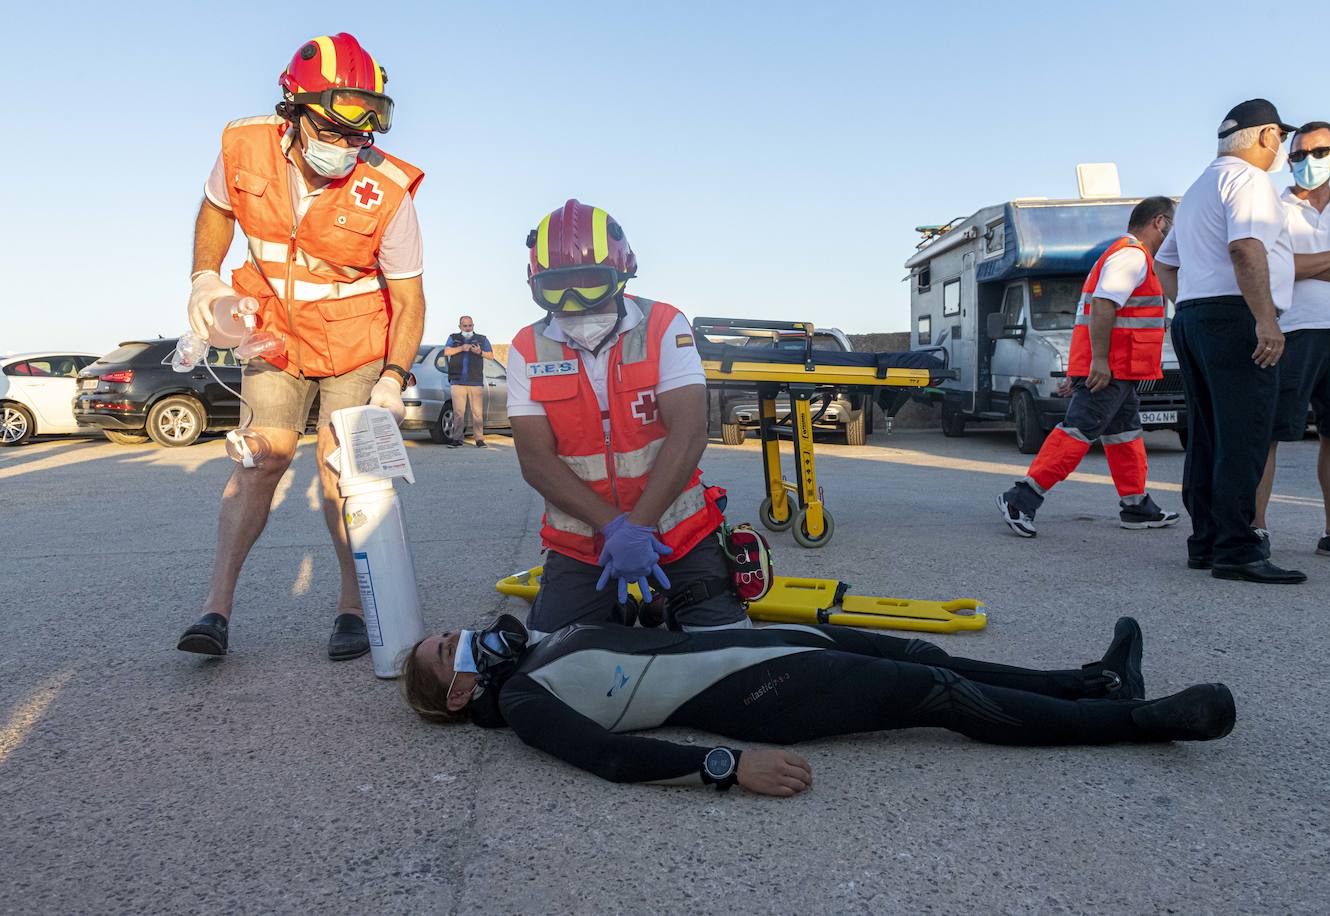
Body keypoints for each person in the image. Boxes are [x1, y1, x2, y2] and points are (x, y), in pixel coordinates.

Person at [176, 33, 428, 658]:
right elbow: (215, 209)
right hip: (274, 336)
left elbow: (410, 298)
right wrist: (204, 278)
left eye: (360, 134)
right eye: (334, 130)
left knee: (342, 472)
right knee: (259, 459)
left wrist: (395, 377)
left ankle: (352, 605)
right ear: (293, 109)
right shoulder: (243, 145)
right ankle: (215, 611)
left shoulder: (389, 190)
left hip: (356, 344)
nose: (348, 147)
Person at [398, 615, 1235, 797]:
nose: (462, 636)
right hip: (765, 693)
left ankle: (1086, 682)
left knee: (921, 652)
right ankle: (1139, 721)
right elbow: (612, 759)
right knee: (934, 694)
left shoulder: (539, 645)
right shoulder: (526, 703)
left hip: (775, 641)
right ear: (459, 692)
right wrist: (727, 766)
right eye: (448, 650)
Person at [506, 199, 746, 638]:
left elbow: (690, 434)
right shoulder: (527, 347)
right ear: (535, 285)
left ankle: (658, 604)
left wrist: (636, 528)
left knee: (729, 653)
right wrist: (613, 527)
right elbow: (535, 461)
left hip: (679, 532)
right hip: (583, 545)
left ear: (623, 274)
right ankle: (623, 610)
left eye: (591, 283)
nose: (575, 302)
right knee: (546, 661)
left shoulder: (664, 325)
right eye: (558, 287)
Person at [1154, 99, 1306, 584]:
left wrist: (1191, 306)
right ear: (1264, 136)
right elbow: (1245, 247)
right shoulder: (1250, 180)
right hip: (1235, 315)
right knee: (1243, 435)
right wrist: (1265, 320)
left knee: (1208, 435)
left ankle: (1207, 541)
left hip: (1196, 316)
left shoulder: (1200, 187)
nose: (1281, 148)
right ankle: (1238, 550)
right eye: (1280, 138)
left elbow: (1165, 262)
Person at [998, 198, 1181, 537]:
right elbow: (1102, 305)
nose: (1177, 232)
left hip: (1117, 370)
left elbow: (1091, 314)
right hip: (1109, 369)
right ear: (1160, 222)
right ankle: (1021, 498)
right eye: (1175, 223)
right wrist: (1096, 362)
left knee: (1124, 434)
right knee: (1078, 431)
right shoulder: (1131, 256)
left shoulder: (1126, 255)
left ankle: (1136, 507)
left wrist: (1084, 366)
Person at [1254, 122, 1330, 563]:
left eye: (1316, 153)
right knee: (1271, 434)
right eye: (1296, 155)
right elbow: (1276, 268)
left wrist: (1301, 263)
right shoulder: (1273, 208)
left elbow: (1299, 266)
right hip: (1291, 332)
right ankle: (1255, 528)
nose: (1304, 162)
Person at [442, 315, 494, 448]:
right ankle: (457, 439)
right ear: (460, 327)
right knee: (458, 413)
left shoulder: (482, 339)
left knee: (477, 413)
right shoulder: (453, 338)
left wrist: (480, 352)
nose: (468, 328)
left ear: (473, 326)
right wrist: (461, 348)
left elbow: (491, 356)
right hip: (457, 382)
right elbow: (446, 352)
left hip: (475, 382)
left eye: (470, 325)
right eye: (465, 326)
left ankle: (479, 439)